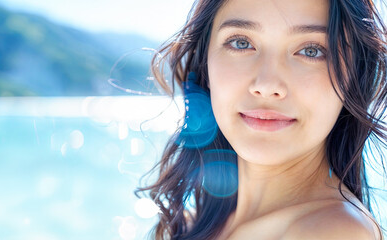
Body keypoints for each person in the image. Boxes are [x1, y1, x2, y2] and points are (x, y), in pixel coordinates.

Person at [135, 0, 387, 239]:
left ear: (355, 77)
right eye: (241, 43)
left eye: (311, 50)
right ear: (206, 62)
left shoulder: (333, 233)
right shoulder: (187, 224)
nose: (266, 85)